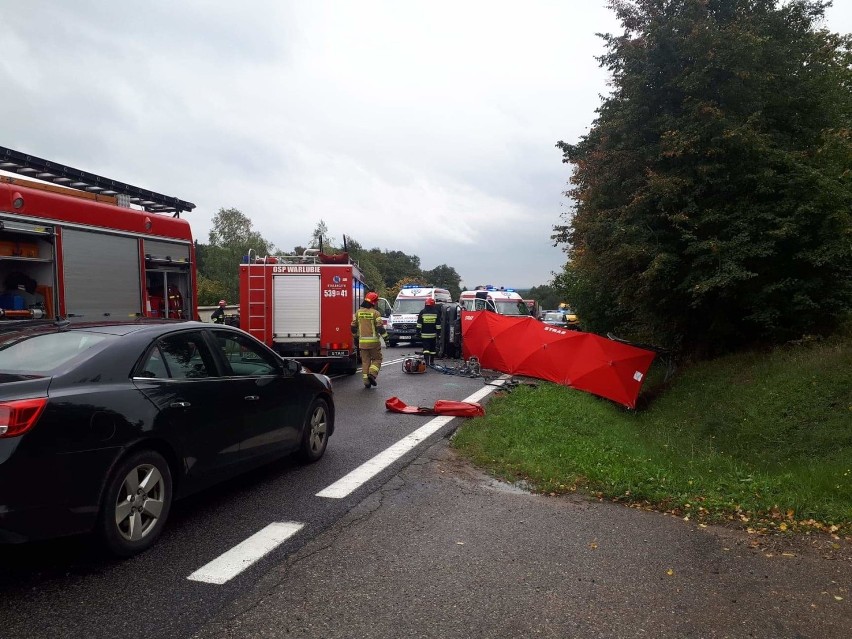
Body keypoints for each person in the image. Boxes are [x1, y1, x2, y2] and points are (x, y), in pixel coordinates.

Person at [351, 291, 390, 388]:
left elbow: (353, 326)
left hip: (362, 343)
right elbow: (380, 328)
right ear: (373, 302)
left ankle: (366, 382)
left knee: (365, 362)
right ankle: (372, 375)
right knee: (377, 359)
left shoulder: (358, 312)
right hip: (373, 343)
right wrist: (386, 339)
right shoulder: (375, 313)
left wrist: (355, 337)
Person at [416, 297, 441, 366]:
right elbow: (438, 325)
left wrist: (417, 333)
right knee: (432, 349)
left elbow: (419, 324)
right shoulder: (436, 313)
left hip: (424, 335)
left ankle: (426, 363)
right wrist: (439, 334)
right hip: (433, 335)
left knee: (426, 349)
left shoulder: (422, 312)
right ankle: (432, 362)